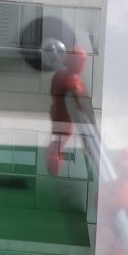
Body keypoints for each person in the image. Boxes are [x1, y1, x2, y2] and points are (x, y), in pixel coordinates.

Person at [46, 46, 89, 175]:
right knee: (56, 147)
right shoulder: (74, 83)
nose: (84, 65)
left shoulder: (59, 74)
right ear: (75, 62)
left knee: (55, 145)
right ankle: (53, 169)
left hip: (55, 116)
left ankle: (53, 164)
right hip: (63, 124)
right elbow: (81, 107)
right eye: (82, 61)